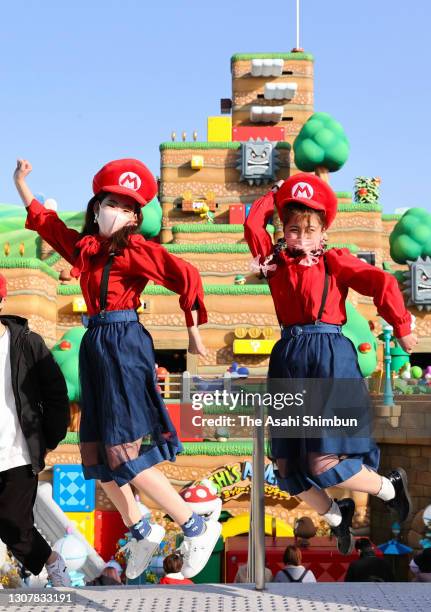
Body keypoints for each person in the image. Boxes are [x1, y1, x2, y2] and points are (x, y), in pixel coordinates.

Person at [14, 157, 221, 580]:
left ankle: (194, 524)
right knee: (96, 452)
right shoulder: (86, 250)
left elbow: (186, 275)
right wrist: (21, 184)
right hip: (96, 345)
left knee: (124, 450)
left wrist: (194, 332)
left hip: (124, 343)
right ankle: (142, 528)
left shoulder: (135, 250)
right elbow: (48, 225)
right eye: (112, 203)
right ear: (97, 207)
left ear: (135, 217)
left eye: (129, 208)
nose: (119, 212)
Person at [244, 173, 417, 555]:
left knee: (323, 462)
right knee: (287, 468)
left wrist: (402, 326)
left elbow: (382, 283)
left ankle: (389, 487)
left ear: (323, 231)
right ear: (283, 230)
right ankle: (337, 516)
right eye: (292, 229)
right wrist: (274, 195)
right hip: (288, 358)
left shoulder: (335, 260)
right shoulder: (273, 262)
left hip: (328, 357)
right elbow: (251, 224)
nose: (301, 238)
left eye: (310, 230)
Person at [0, 273, 71, 586]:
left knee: (14, 526)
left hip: (16, 453)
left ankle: (53, 562)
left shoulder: (26, 342)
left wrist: (49, 438)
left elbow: (56, 393)